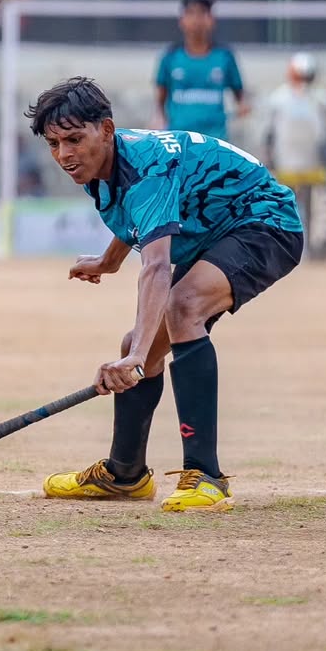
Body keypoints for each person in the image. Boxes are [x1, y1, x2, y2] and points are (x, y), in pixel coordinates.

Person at [26, 77, 303, 513]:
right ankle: (125, 475)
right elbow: (140, 216)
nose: (64, 155)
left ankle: (206, 477)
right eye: (54, 144)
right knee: (135, 345)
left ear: (107, 129)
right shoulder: (105, 164)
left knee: (181, 308)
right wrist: (109, 262)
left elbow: (156, 265)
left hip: (265, 223)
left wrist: (138, 357)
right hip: (216, 235)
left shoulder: (146, 168)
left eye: (74, 140)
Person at [263, 52, 326, 254]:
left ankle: (314, 248)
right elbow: (269, 133)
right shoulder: (279, 99)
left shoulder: (321, 100)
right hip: (287, 165)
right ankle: (289, 246)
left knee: (315, 210)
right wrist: (269, 158)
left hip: (314, 166)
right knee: (287, 206)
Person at [154, 0, 249, 140]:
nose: (196, 20)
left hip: (214, 138)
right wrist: (159, 119)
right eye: (191, 13)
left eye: (202, 13)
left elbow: (240, 96)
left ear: (212, 20)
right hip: (179, 137)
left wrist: (242, 107)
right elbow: (161, 97)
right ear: (182, 20)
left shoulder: (224, 56)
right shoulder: (171, 56)